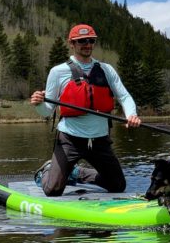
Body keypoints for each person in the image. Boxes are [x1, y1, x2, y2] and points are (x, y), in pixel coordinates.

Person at [30, 24, 141, 196]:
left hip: (100, 140)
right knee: (53, 190)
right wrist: (38, 104)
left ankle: (78, 173)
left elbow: (124, 97)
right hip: (69, 139)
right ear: (72, 44)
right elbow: (47, 111)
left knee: (117, 185)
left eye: (91, 40)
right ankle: (48, 169)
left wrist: (131, 115)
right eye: (81, 41)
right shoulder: (58, 72)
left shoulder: (106, 70)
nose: (87, 44)